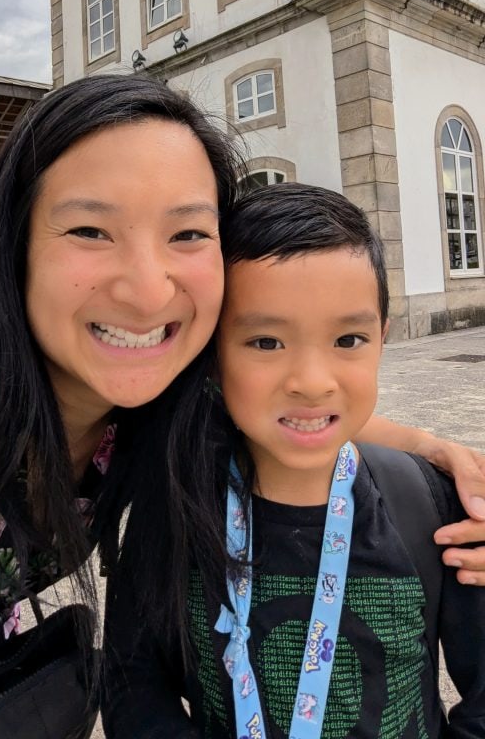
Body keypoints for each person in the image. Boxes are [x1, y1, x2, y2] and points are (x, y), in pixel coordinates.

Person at [0, 75, 482, 737]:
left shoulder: (157, 397)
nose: (150, 291)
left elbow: (292, 407)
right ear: (13, 246)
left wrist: (443, 462)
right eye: (92, 230)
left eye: (186, 234)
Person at [101, 183, 485, 739]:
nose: (310, 382)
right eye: (265, 343)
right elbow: (131, 681)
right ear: (211, 357)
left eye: (348, 339)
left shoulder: (433, 506)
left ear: (383, 336)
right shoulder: (174, 510)